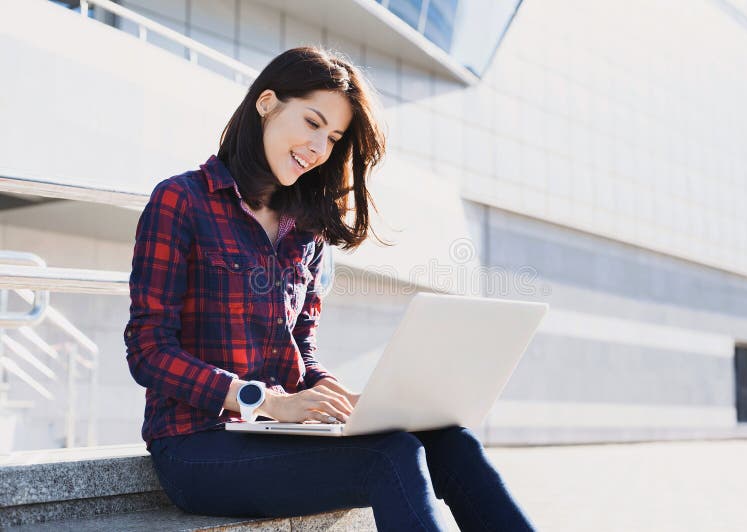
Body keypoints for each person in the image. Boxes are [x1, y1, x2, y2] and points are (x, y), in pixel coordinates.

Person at [124, 46, 535, 531]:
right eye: (312, 123)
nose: (319, 149)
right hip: (196, 445)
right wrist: (266, 401)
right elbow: (148, 352)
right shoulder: (182, 199)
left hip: (277, 435)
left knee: (450, 437)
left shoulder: (306, 228)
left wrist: (329, 391)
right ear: (267, 103)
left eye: (334, 137)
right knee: (389, 454)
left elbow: (300, 345)